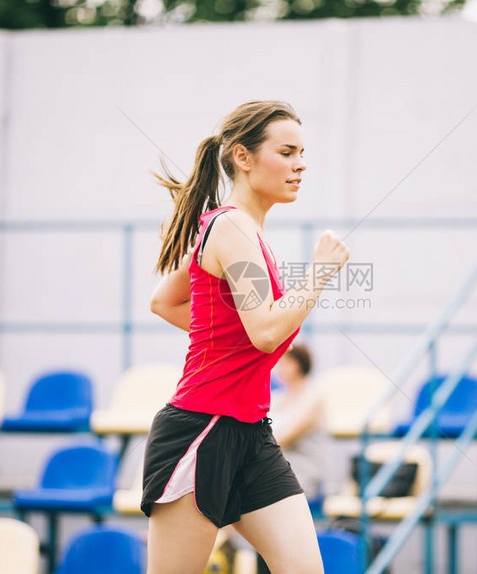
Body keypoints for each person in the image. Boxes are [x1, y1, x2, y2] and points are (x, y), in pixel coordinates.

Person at [143, 100, 349, 574]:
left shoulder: (243, 229)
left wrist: (227, 336)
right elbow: (266, 331)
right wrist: (319, 271)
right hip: (202, 430)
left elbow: (166, 301)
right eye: (288, 151)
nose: (301, 165)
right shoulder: (231, 224)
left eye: (303, 153)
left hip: (252, 436)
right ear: (242, 156)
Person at [269, 343, 326, 503]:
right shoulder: (277, 397)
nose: (278, 368)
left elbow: (284, 439)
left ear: (296, 365)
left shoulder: (313, 398)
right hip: (272, 467)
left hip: (299, 471)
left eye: (283, 363)